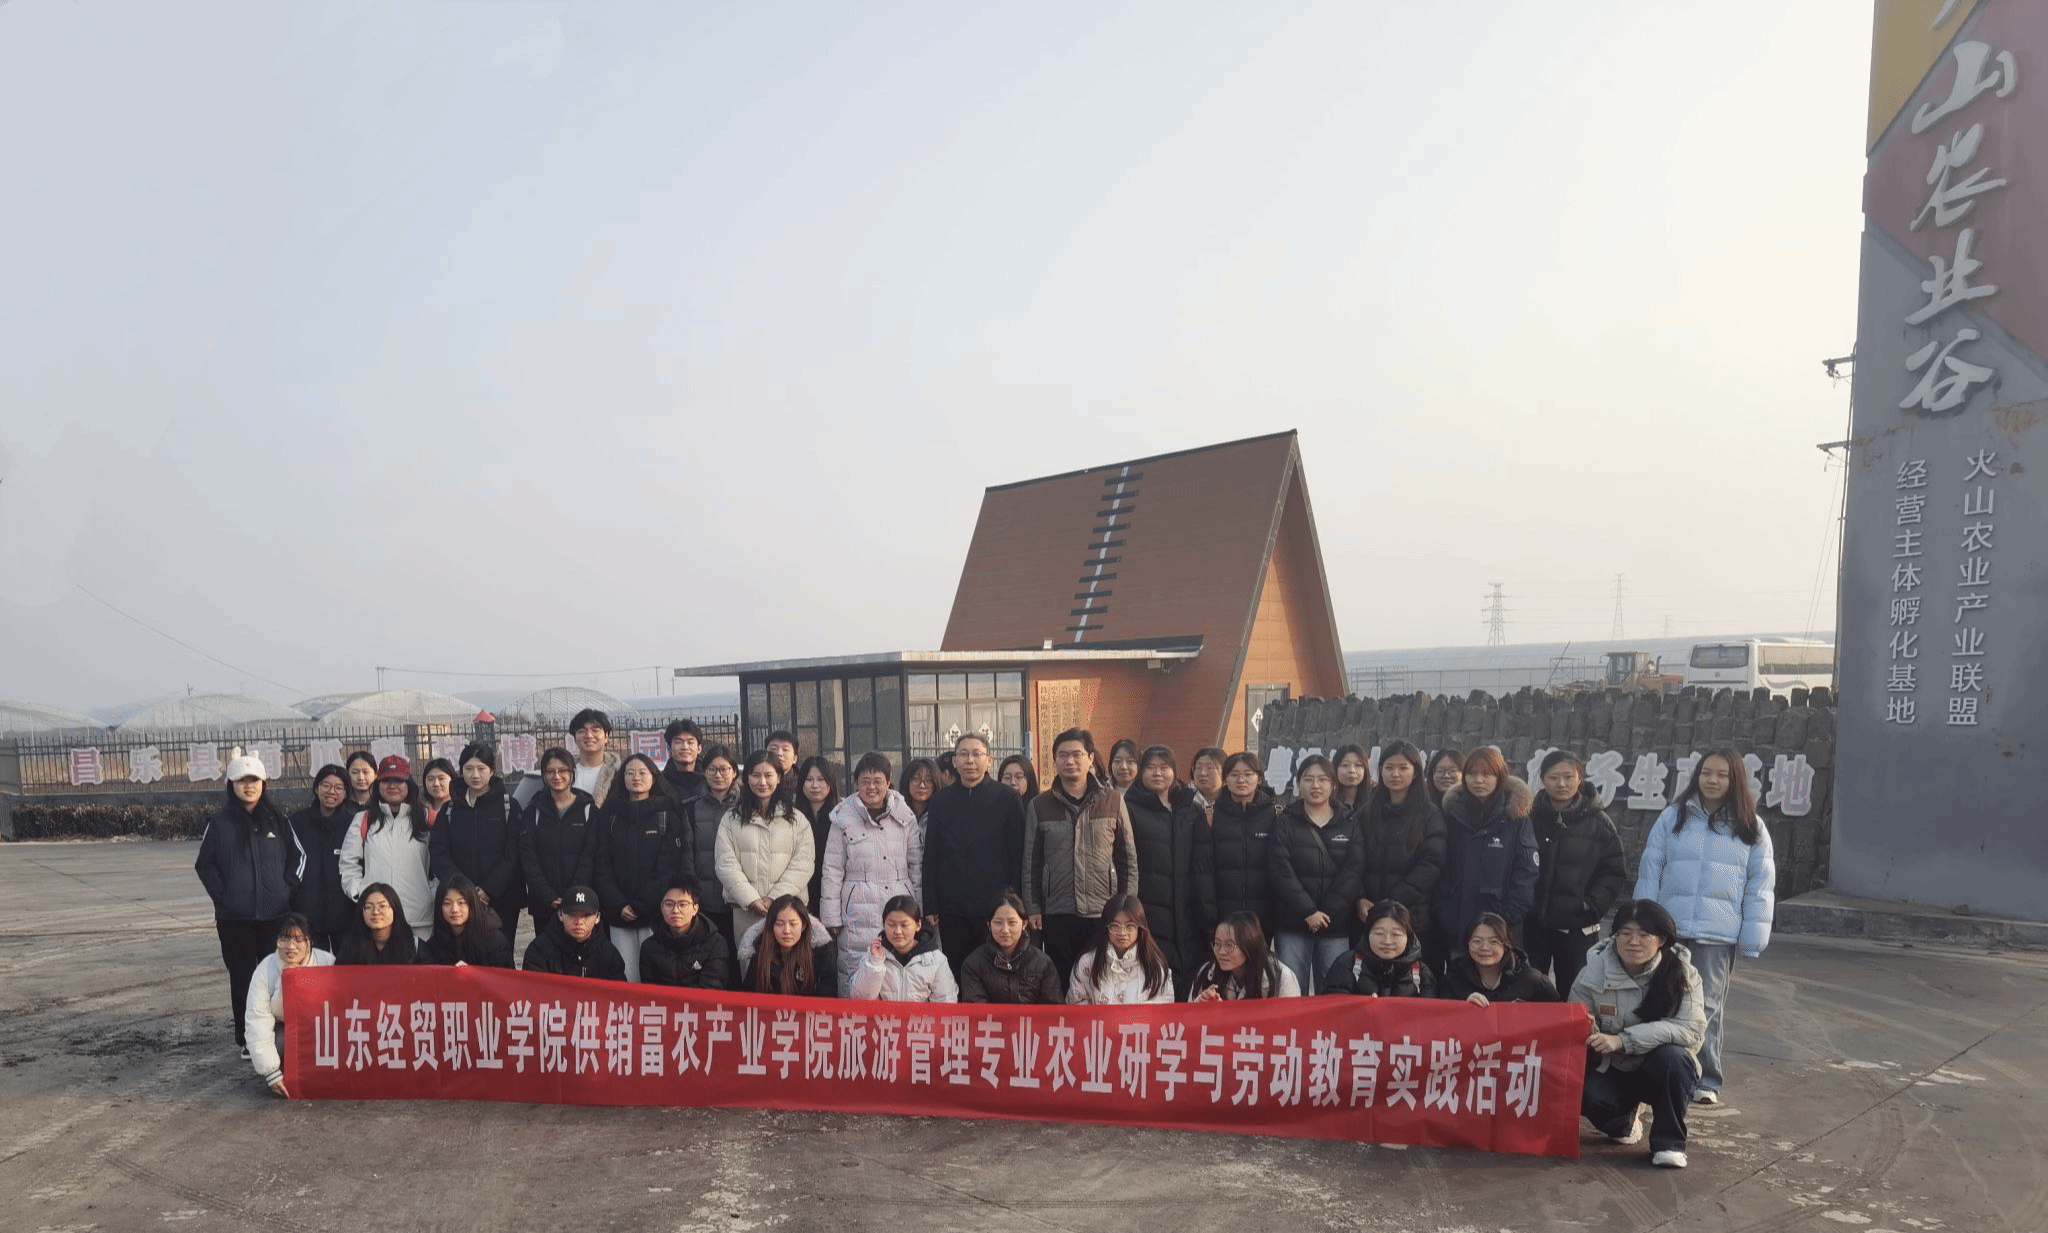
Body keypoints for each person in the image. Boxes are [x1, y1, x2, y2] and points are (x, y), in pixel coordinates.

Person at [1633, 747, 1776, 1108]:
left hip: (1717, 934)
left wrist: (1753, 937)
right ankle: (1662, 1073)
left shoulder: (1750, 826)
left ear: (1735, 780)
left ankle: (1706, 1079)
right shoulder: (1673, 817)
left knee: (1708, 1006)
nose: (1712, 780)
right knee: (1662, 1000)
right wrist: (1644, 921)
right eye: (1706, 773)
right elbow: (1651, 869)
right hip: (1670, 930)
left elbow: (1760, 886)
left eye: (1722, 775)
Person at [1572, 898, 1707, 1168]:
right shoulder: (1593, 971)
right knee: (1584, 1092)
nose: (1633, 942)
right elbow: (1573, 1017)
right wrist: (1588, 1027)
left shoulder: (1683, 974)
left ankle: (1669, 1144)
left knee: (1674, 1059)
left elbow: (1691, 1029)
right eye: (1625, 933)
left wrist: (1623, 1040)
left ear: (1662, 939)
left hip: (1659, 1066)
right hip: (1613, 1066)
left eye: (1644, 935)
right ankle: (1622, 1122)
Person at [194, 749, 307, 1057]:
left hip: (275, 916)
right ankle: (247, 1038)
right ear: (231, 784)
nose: (249, 786)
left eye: (254, 780)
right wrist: (224, 897)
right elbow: (205, 864)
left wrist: (286, 889)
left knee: (276, 975)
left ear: (263, 783)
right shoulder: (219, 823)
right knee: (243, 977)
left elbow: (299, 857)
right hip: (235, 920)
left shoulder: (278, 820)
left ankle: (276, 1033)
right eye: (242, 781)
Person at [1023, 727, 1138, 984]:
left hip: (1103, 910)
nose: (1070, 761)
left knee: (1102, 979)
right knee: (1062, 979)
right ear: (1055, 761)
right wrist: (1033, 907)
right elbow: (1031, 862)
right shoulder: (1040, 805)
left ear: (1090, 758)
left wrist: (1128, 907)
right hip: (1057, 911)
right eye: (1062, 755)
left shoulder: (1112, 801)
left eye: (1077, 755)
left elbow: (1127, 859)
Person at [922, 734, 1026, 974]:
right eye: (963, 754)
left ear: (989, 760)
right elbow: (931, 855)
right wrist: (931, 903)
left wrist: (1016, 901)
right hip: (952, 905)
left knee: (995, 969)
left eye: (977, 754)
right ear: (955, 761)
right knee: (956, 968)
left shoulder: (1007, 799)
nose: (970, 760)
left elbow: (1018, 855)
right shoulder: (940, 800)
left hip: (995, 906)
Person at [1526, 750, 1628, 995]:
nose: (1561, 784)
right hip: (1532, 923)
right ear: (1542, 779)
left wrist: (1590, 906)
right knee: (1528, 990)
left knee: (1576, 992)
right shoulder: (1528, 817)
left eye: (1568, 777)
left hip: (1577, 927)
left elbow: (1613, 870)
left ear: (1579, 778)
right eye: (1553, 777)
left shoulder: (1598, 821)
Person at [1430, 746, 1538, 974]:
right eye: (1472, 773)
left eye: (1487, 774)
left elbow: (1526, 872)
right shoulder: (1450, 814)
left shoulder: (1516, 818)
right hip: (1455, 924)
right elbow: (1437, 866)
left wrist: (1507, 916)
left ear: (1500, 777)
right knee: (1458, 985)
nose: (1478, 780)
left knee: (1500, 985)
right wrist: (1444, 909)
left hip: (1501, 925)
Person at [820, 752, 923, 989]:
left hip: (899, 904)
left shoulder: (905, 816)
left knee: (896, 976)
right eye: (865, 781)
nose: (871, 787)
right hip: (856, 908)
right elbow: (832, 869)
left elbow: (916, 866)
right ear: (856, 783)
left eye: (878, 781)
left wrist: (919, 908)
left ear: (889, 781)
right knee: (854, 971)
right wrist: (831, 916)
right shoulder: (842, 818)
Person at [1267, 753, 1364, 994]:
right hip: (1292, 922)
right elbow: (1281, 871)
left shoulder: (1349, 822)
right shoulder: (1285, 822)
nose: (1315, 785)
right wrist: (1308, 911)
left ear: (1333, 785)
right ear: (1298, 784)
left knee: (1334, 990)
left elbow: (1353, 871)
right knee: (1290, 989)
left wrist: (1327, 912)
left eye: (1322, 779)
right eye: (1308, 779)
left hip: (1335, 923)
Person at [594, 752, 691, 982]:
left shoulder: (667, 815)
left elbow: (667, 867)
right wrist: (619, 904)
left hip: (654, 912)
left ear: (654, 778)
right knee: (625, 975)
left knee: (655, 976)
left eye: (642, 772)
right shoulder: (610, 815)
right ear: (622, 778)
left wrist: (643, 904)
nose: (636, 778)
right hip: (619, 913)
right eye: (630, 773)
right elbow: (601, 864)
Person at [1352, 739, 1448, 958]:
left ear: (1415, 773)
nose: (1395, 774)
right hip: (1368, 915)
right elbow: (1352, 861)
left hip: (1413, 917)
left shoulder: (1430, 815)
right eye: (1389, 767)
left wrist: (1390, 905)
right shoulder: (1366, 814)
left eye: (1403, 768)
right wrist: (1359, 898)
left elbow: (1431, 865)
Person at [1124, 745, 1203, 998]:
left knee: (1189, 977)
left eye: (1164, 767)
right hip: (1149, 906)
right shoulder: (1129, 808)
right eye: (1151, 767)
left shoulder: (1190, 808)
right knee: (1155, 978)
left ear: (1175, 772)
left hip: (1187, 907)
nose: (1157, 773)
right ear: (1141, 772)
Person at [429, 742, 523, 953]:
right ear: (461, 771)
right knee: (461, 956)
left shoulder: (509, 806)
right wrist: (465, 890)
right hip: (459, 900)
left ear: (492, 771)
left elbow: (514, 853)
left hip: (501, 900)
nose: (475, 775)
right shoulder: (451, 809)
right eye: (469, 769)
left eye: (481, 768)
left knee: (498, 954)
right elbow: (439, 851)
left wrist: (489, 889)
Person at [715, 749, 815, 944]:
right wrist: (751, 899)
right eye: (755, 775)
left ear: (779, 778)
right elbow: (725, 863)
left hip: (788, 912)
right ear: (747, 778)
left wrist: (775, 899)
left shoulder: (797, 820)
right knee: (750, 960)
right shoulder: (731, 819)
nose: (762, 782)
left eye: (768, 775)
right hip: (746, 911)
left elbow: (803, 865)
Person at [339, 754, 437, 941]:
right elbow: (348, 863)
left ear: (409, 784)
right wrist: (360, 892)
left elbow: (443, 860)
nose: (392, 786)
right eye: (386, 780)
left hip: (419, 920)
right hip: (377, 921)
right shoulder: (364, 819)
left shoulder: (427, 819)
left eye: (399, 780)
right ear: (378, 785)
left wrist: (431, 894)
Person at [245, 913, 333, 1096]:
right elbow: (257, 1020)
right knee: (280, 1043)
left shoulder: (326, 962)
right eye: (284, 939)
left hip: (320, 1030)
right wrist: (271, 1073)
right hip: (285, 1029)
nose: (291, 946)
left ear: (310, 941)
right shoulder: (265, 969)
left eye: (299, 940)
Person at [1192, 751, 1277, 941]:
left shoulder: (1275, 815)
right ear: (1225, 779)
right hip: (1223, 916)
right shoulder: (1210, 816)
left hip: (1264, 917)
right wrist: (1209, 914)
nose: (1241, 780)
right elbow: (1203, 871)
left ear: (1259, 778)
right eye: (1234, 775)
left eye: (1248, 774)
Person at [518, 746, 598, 941]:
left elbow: (591, 856)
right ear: (544, 775)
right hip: (544, 903)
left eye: (562, 770)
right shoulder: (533, 811)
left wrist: (573, 894)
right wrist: (547, 894)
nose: (557, 776)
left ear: (572, 772)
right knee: (547, 951)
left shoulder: (588, 809)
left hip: (581, 901)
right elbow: (528, 858)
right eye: (550, 771)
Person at [289, 763, 357, 955]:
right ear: (316, 788)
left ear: (346, 793)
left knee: (345, 966)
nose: (331, 792)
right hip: (306, 913)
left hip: (345, 914)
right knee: (313, 966)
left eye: (338, 787)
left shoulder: (353, 823)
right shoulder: (297, 822)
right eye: (326, 785)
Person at [683, 745, 743, 958]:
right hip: (703, 900)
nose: (718, 775)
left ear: (734, 772)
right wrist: (694, 891)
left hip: (739, 900)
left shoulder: (745, 806)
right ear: (704, 772)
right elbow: (686, 854)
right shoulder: (690, 808)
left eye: (724, 769)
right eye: (712, 770)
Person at [1067, 894, 1173, 1005]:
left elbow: (1164, 1009)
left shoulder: (1155, 966)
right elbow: (1076, 1006)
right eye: (1115, 925)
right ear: (1106, 927)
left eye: (1130, 926)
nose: (1122, 933)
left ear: (1140, 928)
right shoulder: (1088, 963)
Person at [849, 895, 959, 1002]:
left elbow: (946, 1003)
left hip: (919, 1015)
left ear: (918, 925)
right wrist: (875, 963)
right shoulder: (874, 954)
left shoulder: (936, 960)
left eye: (904, 925)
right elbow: (859, 999)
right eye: (891, 924)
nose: (897, 931)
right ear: (883, 924)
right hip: (883, 1015)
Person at [959, 892, 1062, 1004]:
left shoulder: (1043, 963)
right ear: (989, 925)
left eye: (1012, 922)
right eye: (998, 923)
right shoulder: (973, 964)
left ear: (1024, 923)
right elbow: (976, 1010)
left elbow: (1053, 1009)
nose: (1005, 930)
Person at [1322, 900, 1433, 997]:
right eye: (1379, 933)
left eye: (1396, 935)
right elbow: (1334, 1006)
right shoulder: (1347, 964)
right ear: (1367, 934)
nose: (1387, 941)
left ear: (1409, 937)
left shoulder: (1421, 973)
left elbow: (1430, 1011)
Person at [1440, 911, 1556, 1005]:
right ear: (1467, 944)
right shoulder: (1452, 982)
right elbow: (1442, 1021)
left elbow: (1557, 1017)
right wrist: (1462, 1006)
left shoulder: (1534, 981)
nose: (1485, 947)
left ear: (1506, 946)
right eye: (1477, 941)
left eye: (1494, 941)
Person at [739, 894, 837, 998]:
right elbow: (748, 994)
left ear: (803, 925)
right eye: (779, 924)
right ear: (771, 926)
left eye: (793, 924)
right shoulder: (760, 949)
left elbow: (828, 996)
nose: (786, 931)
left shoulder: (819, 952)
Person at [640, 877, 731, 989]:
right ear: (661, 908)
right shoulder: (649, 947)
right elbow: (649, 992)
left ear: (695, 909)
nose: (675, 910)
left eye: (682, 904)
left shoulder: (715, 944)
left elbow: (712, 989)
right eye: (669, 904)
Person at [521, 885, 627, 980]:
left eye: (586, 915)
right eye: (572, 915)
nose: (579, 922)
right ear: (560, 915)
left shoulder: (609, 954)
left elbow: (618, 992)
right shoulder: (539, 949)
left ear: (597, 918)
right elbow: (532, 989)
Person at [1190, 912, 1299, 1000]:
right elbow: (1189, 1016)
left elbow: (1291, 1019)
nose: (1221, 952)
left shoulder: (1280, 977)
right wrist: (1204, 1005)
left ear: (1250, 946)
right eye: (1217, 944)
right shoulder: (1207, 973)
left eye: (1229, 945)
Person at [421, 876, 514, 967]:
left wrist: (470, 973)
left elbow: (504, 975)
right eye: (447, 903)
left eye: (461, 903)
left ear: (472, 904)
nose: (454, 910)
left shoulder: (495, 942)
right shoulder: (434, 945)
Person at [792, 755, 840, 912]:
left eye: (821, 779)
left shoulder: (841, 814)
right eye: (809, 779)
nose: (815, 785)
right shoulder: (791, 815)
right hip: (800, 891)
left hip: (833, 891)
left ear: (830, 782)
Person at [335, 883, 421, 965]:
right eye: (369, 907)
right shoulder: (350, 947)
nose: (375, 912)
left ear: (395, 909)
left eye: (382, 906)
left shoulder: (415, 946)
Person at [569, 708, 623, 806]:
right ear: (575, 738)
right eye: (582, 731)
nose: (589, 735)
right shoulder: (563, 773)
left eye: (595, 730)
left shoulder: (620, 773)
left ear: (606, 737)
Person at [662, 718, 706, 800]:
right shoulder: (660, 784)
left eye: (690, 742)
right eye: (678, 742)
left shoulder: (710, 781)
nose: (685, 747)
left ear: (699, 748)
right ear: (669, 748)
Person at [898, 758, 939, 838]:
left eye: (929, 780)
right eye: (916, 779)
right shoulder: (896, 813)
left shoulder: (941, 816)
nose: (922, 785)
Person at [1188, 746, 1227, 821]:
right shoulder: (1182, 801)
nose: (1203, 773)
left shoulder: (1235, 801)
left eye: (1210, 768)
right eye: (1198, 767)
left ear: (1224, 771)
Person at [1331, 744, 1372, 815]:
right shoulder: (1326, 801)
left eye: (1358, 765)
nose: (1352, 770)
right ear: (1335, 768)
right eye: (1345, 765)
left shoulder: (1375, 799)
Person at [420, 757, 457, 829]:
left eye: (441, 778)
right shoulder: (417, 810)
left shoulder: (461, 809)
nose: (436, 784)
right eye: (430, 779)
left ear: (452, 779)